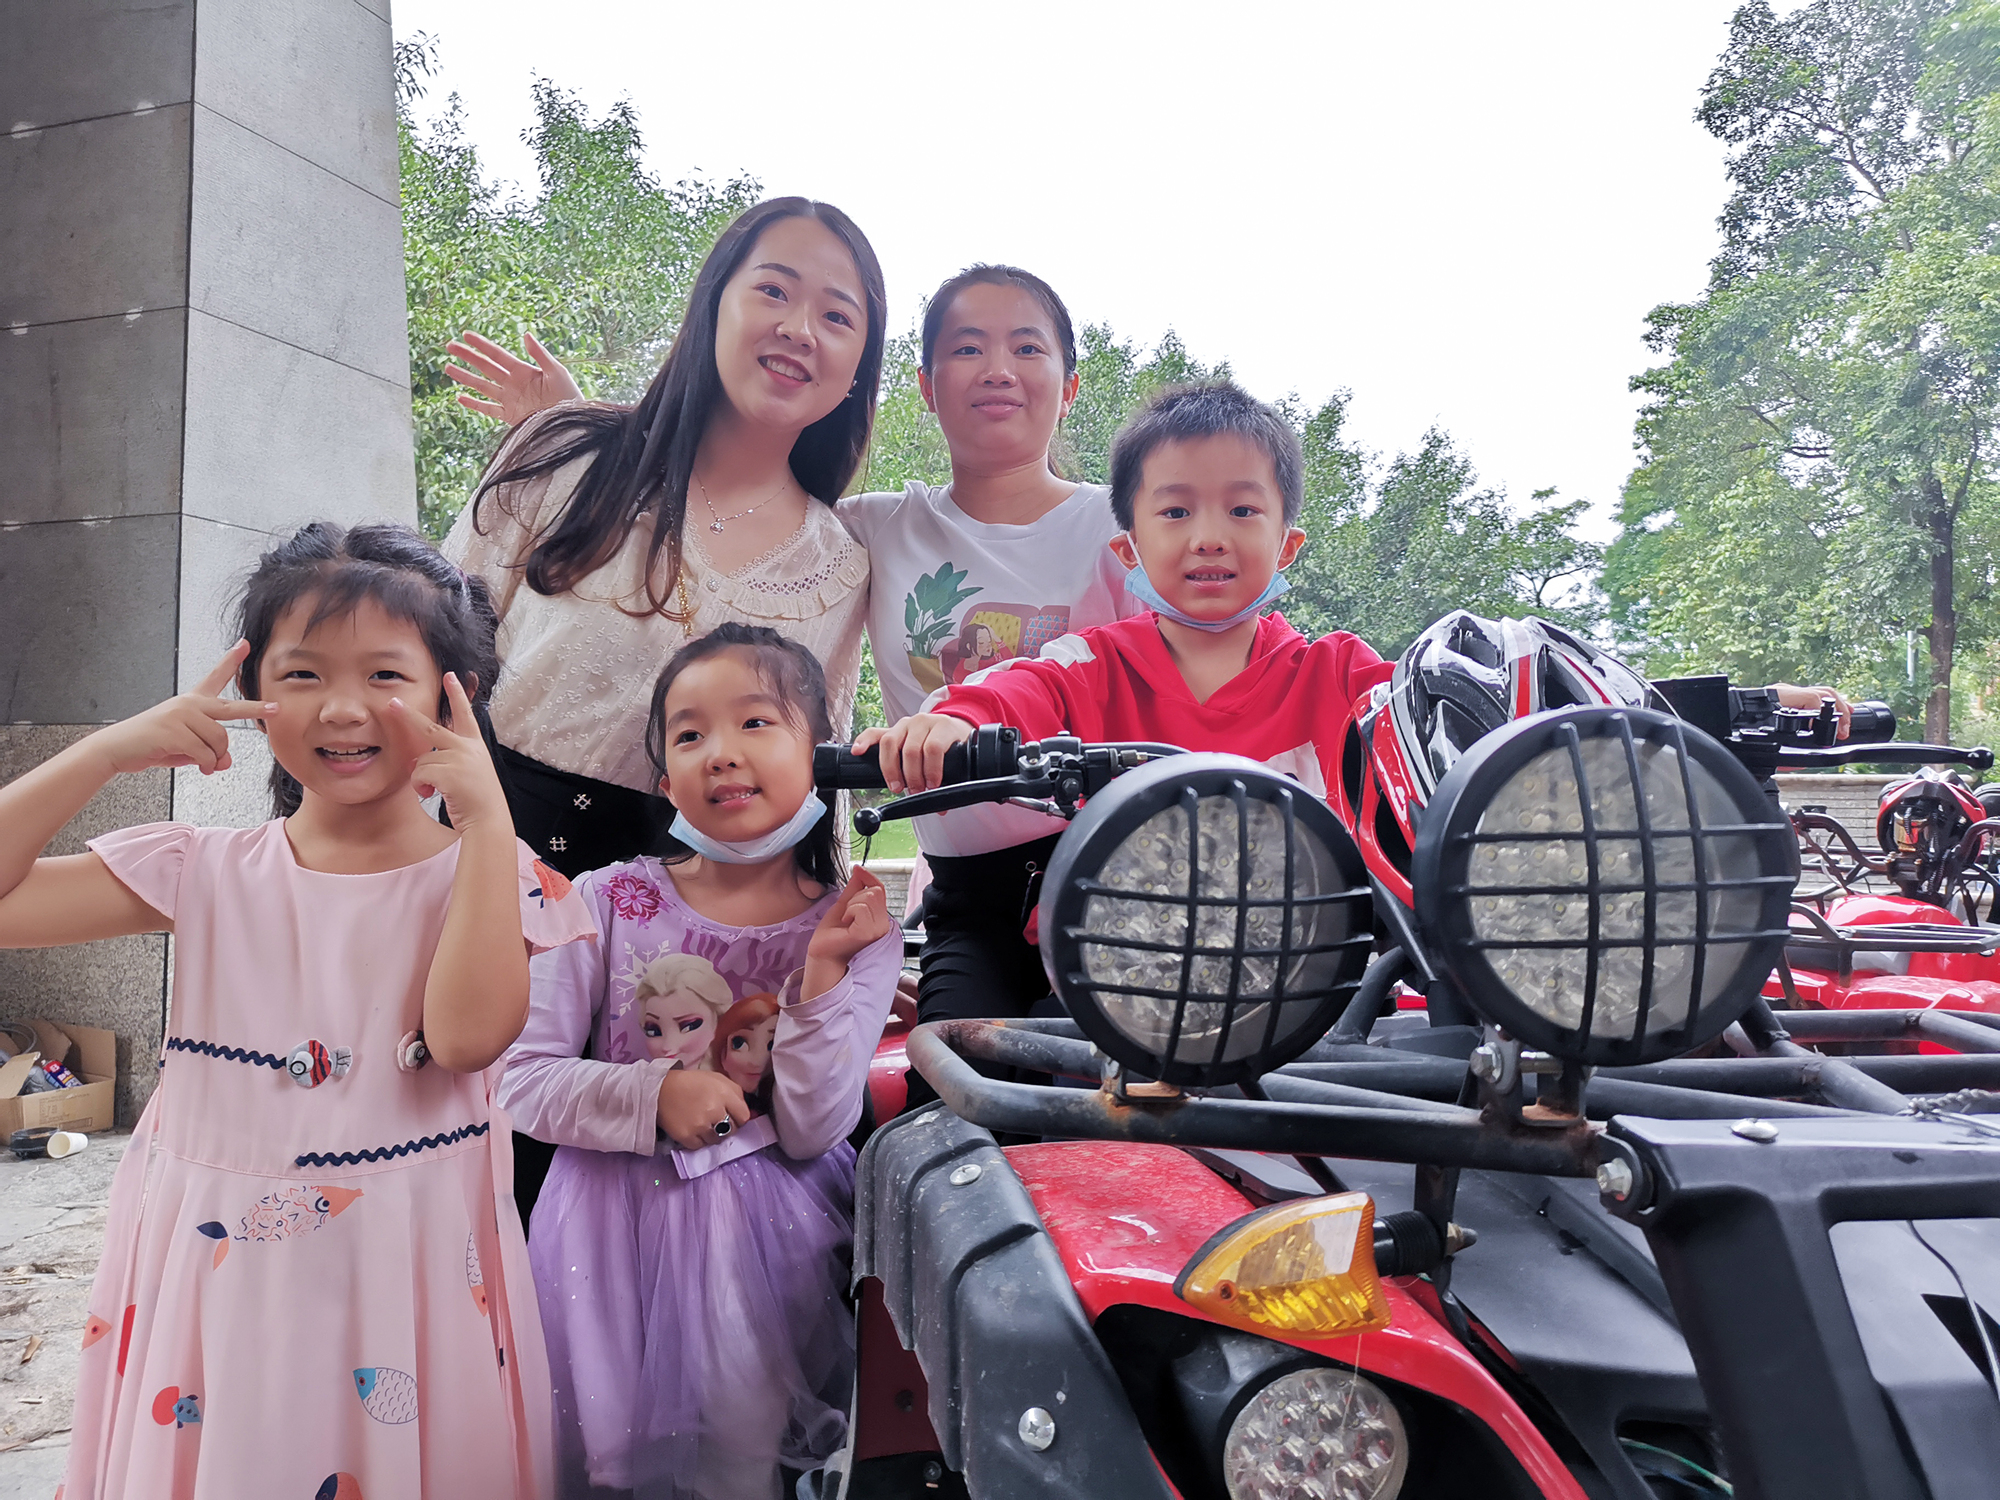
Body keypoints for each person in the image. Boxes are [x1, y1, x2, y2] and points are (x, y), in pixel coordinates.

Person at [0, 523, 595, 1500]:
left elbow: (464, 1039)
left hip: (400, 1280)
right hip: (215, 1275)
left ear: (456, 694)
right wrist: (105, 753)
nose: (343, 707)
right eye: (304, 674)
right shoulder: (202, 868)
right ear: (254, 693)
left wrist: (489, 823)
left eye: (386, 675)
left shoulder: (491, 873)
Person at [450, 264, 1143, 1034]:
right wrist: (593, 426)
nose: (998, 370)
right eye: (967, 348)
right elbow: (732, 494)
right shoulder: (871, 530)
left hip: (1115, 869)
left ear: (1070, 387)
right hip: (967, 895)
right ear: (925, 386)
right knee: (953, 1083)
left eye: (1027, 348)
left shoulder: (1124, 531)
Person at [496, 623, 900, 1499]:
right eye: (689, 734)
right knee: (595, 1465)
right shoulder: (601, 900)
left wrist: (821, 976)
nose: (720, 752)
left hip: (767, 1261)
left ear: (821, 750)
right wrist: (654, 1094)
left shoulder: (857, 931)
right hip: (600, 1245)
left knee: (739, 1467)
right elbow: (518, 1079)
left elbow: (813, 1128)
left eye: (756, 722)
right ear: (663, 775)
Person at [442, 197, 885, 881]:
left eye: (837, 317)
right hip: (477, 879)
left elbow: (810, 781)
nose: (799, 329)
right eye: (773, 290)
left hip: (688, 928)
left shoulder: (837, 566)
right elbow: (433, 655)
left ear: (858, 368)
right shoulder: (564, 453)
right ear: (713, 304)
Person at [862, 380, 1392, 847]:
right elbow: (1017, 690)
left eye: (1242, 510)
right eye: (1176, 511)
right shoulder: (1091, 666)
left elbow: (1422, 715)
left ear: (1287, 544)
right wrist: (954, 720)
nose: (1209, 538)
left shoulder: (1341, 675)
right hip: (1115, 929)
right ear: (1128, 549)